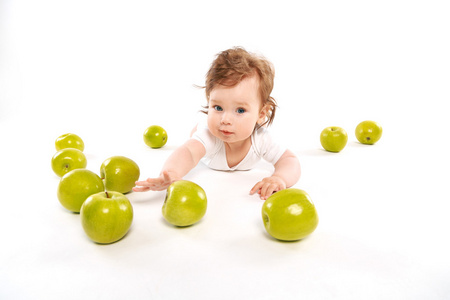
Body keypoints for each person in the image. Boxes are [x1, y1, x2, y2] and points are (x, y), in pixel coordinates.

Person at [133, 47, 301, 200]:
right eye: (218, 107)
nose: (225, 120)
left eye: (240, 110)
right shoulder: (209, 136)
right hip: (202, 135)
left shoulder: (261, 140)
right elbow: (188, 153)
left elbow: (289, 160)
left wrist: (279, 178)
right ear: (209, 101)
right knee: (196, 136)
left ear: (261, 113)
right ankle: (195, 129)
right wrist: (171, 172)